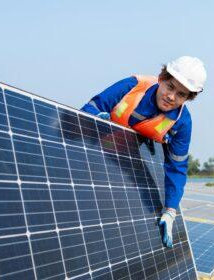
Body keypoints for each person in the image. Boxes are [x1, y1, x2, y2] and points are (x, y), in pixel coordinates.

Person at [81, 56, 207, 248]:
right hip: (91, 154)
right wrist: (96, 120)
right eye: (170, 87)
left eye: (181, 95)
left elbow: (177, 167)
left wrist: (170, 211)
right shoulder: (132, 86)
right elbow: (89, 108)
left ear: (188, 98)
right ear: (161, 78)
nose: (171, 97)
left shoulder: (181, 123)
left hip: (125, 171)